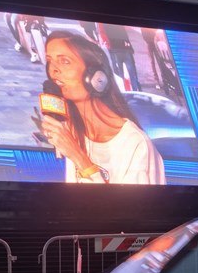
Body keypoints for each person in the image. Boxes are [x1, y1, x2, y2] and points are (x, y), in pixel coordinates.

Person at [41, 30, 166, 185]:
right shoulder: (71, 130)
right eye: (49, 61)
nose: (53, 70)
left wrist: (79, 158)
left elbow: (128, 209)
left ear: (96, 77)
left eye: (65, 61)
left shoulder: (134, 143)